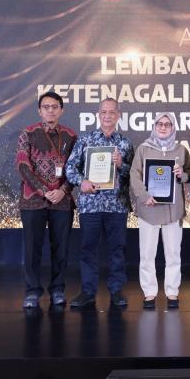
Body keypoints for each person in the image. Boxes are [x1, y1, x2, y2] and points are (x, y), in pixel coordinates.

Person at [66, 98, 134, 308]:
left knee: (117, 249)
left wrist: (122, 165)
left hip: (116, 205)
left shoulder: (125, 143)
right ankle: (88, 291)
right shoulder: (85, 140)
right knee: (88, 249)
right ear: (98, 114)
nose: (107, 116)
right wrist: (82, 182)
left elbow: (134, 176)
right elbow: (70, 168)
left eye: (112, 112)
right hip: (91, 205)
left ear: (118, 115)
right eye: (104, 112)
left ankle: (116, 290)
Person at [16, 91, 77, 308]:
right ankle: (32, 291)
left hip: (62, 200)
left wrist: (63, 190)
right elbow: (23, 166)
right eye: (46, 107)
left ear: (61, 110)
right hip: (33, 200)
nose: (50, 110)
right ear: (39, 110)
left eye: (54, 107)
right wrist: (44, 190)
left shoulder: (71, 136)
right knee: (32, 248)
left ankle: (58, 289)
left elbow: (76, 168)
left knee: (61, 248)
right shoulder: (27, 134)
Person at [130, 112, 190, 310]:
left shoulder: (181, 150)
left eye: (168, 124)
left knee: (173, 253)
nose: (163, 127)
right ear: (154, 126)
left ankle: (172, 292)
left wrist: (182, 175)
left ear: (173, 127)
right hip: (149, 208)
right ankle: (149, 293)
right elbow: (134, 174)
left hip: (173, 210)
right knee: (147, 254)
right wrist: (143, 195)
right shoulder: (143, 148)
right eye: (160, 124)